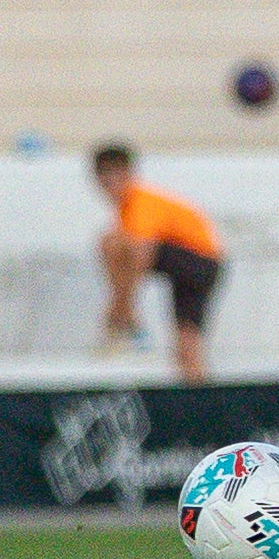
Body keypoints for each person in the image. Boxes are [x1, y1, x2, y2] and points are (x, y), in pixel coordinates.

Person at [92, 142, 225, 383]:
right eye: (105, 177)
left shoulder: (141, 202)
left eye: (116, 176)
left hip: (198, 259)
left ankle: (126, 316)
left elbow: (142, 250)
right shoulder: (128, 209)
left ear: (128, 173)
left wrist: (121, 303)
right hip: (206, 265)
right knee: (187, 341)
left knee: (111, 242)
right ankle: (197, 388)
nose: (110, 184)